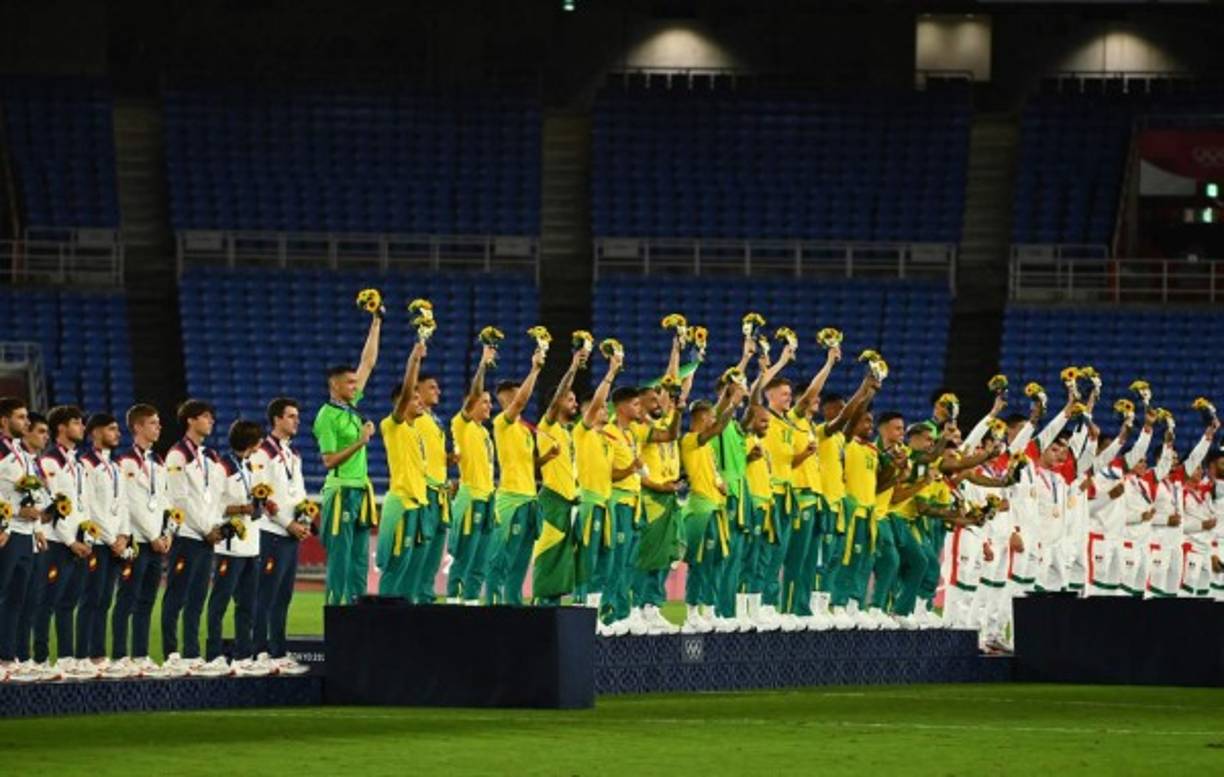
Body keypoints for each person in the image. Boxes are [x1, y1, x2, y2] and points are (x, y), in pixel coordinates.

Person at [313, 313, 381, 605]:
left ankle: (356, 615)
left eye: (356, 383)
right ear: (335, 385)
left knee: (359, 561)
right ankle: (336, 614)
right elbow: (328, 461)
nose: (356, 386)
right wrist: (360, 441)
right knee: (341, 560)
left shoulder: (351, 407)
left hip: (360, 490)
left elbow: (367, 362)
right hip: (340, 490)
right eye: (350, 383)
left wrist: (376, 322)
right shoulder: (326, 417)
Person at [202, 419, 271, 677]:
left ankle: (243, 655)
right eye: (258, 441)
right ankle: (214, 654)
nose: (261, 445)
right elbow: (212, 505)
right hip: (229, 547)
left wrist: (260, 504)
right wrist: (242, 508)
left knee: (246, 604)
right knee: (219, 603)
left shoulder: (249, 465)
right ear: (250, 441)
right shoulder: (222, 468)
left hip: (251, 544)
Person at [161, 399, 224, 677]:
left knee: (198, 597)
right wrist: (205, 528)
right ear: (190, 420)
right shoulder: (177, 455)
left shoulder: (209, 456)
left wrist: (216, 527)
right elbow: (179, 500)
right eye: (206, 417)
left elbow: (213, 498)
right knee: (176, 595)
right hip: (188, 535)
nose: (210, 421)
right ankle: (171, 653)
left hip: (206, 537)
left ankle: (191, 652)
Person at [250, 398, 311, 675]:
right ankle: (259, 651)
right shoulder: (262, 453)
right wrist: (288, 523)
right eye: (290, 416)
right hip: (271, 532)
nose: (296, 420)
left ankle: (277, 651)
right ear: (276, 419)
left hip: (290, 535)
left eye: (297, 416)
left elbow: (298, 494)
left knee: (284, 595)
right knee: (266, 593)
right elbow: (262, 495)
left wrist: (304, 519)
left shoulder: (292, 454)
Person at [32, 406, 93, 678]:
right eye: (76, 423)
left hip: (78, 543)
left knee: (69, 602)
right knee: (47, 601)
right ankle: (42, 659)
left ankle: (67, 658)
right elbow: (55, 505)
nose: (81, 428)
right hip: (58, 543)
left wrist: (86, 537)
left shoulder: (77, 464)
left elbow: (81, 507)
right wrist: (70, 541)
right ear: (61, 428)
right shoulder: (50, 462)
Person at [111, 403, 170, 678]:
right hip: (136, 542)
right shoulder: (125, 462)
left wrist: (167, 533)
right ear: (137, 427)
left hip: (157, 542)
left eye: (158, 423)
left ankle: (141, 653)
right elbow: (130, 504)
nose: (158, 428)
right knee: (127, 599)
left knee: (147, 600)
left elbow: (165, 502)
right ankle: (121, 655)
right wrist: (153, 536)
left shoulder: (157, 462)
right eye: (153, 423)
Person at [678, 382, 742, 633]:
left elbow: (712, 474)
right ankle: (692, 609)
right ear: (702, 419)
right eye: (711, 417)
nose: (714, 422)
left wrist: (720, 484)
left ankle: (710, 608)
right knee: (699, 561)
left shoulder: (706, 450)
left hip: (715, 508)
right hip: (700, 510)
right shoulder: (690, 441)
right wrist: (733, 403)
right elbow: (717, 428)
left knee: (716, 560)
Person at [487, 347, 546, 606]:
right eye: (512, 397)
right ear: (504, 400)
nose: (517, 400)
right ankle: (492, 605)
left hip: (529, 500)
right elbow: (522, 402)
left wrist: (545, 459)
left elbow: (524, 463)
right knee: (501, 559)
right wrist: (535, 369)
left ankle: (514, 606)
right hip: (511, 500)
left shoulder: (523, 430)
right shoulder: (502, 422)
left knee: (520, 563)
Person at [533, 348, 587, 605]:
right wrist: (573, 367)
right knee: (549, 555)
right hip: (552, 501)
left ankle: (552, 608)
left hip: (568, 502)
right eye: (570, 399)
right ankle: (541, 606)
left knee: (563, 560)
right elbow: (556, 401)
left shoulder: (568, 432)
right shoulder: (548, 426)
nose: (574, 403)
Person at [572, 349, 621, 630]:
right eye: (602, 408)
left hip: (606, 502)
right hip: (589, 503)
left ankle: (598, 617)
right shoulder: (583, 432)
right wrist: (611, 372)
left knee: (605, 561)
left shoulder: (607, 440)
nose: (606, 411)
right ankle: (582, 617)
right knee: (587, 561)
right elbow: (596, 406)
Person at [376, 341, 428, 598]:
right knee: (395, 569)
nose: (420, 402)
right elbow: (408, 390)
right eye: (415, 398)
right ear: (402, 402)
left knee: (411, 571)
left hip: (418, 506)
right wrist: (414, 361)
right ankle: (383, 623)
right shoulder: (392, 425)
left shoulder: (415, 432)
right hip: (402, 505)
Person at [0, 402, 47, 682]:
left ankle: (9, 656)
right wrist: (13, 515)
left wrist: (38, 525)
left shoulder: (24, 455)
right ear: (3, 421)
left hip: (26, 533)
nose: (25, 422)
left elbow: (33, 495)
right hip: (7, 532)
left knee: (18, 598)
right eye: (20, 417)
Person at [77, 413, 127, 677]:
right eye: (111, 429)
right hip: (97, 542)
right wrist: (111, 539)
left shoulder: (116, 465)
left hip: (114, 543)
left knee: (105, 600)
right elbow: (91, 507)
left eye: (117, 429)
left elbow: (123, 504)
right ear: (94, 433)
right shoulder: (85, 464)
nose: (117, 434)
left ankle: (97, 654)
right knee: (90, 599)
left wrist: (125, 535)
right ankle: (82, 655)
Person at [447, 346, 497, 605]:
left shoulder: (485, 432)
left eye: (490, 401)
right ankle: (454, 602)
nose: (490, 405)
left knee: (481, 559)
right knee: (465, 556)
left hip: (487, 499)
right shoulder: (462, 424)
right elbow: (476, 391)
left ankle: (471, 603)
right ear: (471, 403)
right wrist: (483, 365)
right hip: (470, 499)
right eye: (485, 401)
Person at [408, 372, 449, 605]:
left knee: (434, 554)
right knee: (420, 551)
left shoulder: (435, 420)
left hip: (441, 492)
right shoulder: (411, 416)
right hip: (424, 491)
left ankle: (426, 599)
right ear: (417, 391)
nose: (438, 391)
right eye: (432, 387)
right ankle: (413, 599)